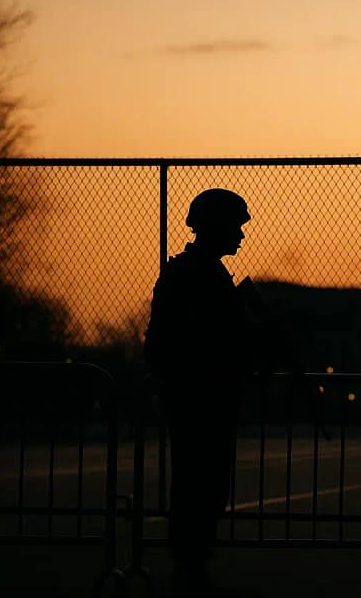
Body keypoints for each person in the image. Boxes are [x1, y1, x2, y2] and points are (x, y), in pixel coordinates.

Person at [144, 188, 254, 596]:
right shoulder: (197, 275)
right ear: (217, 227)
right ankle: (190, 563)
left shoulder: (194, 272)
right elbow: (201, 338)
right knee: (201, 481)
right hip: (200, 394)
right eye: (236, 227)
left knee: (201, 479)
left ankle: (191, 560)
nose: (241, 235)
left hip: (201, 392)